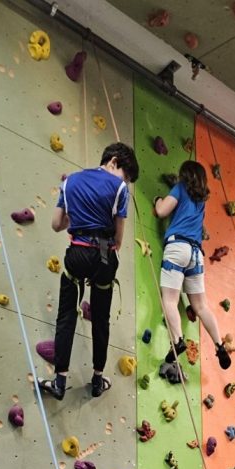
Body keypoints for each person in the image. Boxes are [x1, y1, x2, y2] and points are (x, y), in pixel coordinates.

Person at [38, 143, 139, 400]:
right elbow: (119, 238)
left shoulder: (70, 182)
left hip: (77, 254)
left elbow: (56, 224)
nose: (125, 182)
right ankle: (97, 380)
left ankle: (59, 381)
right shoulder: (120, 189)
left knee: (66, 314)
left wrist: (80, 218)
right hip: (104, 257)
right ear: (113, 161)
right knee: (101, 318)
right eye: (126, 176)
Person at [153, 161, 231, 370]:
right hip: (196, 254)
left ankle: (178, 340)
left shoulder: (180, 188)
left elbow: (162, 211)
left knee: (169, 300)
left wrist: (158, 200)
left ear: (184, 175)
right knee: (201, 306)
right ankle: (220, 346)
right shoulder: (201, 201)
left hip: (177, 247)